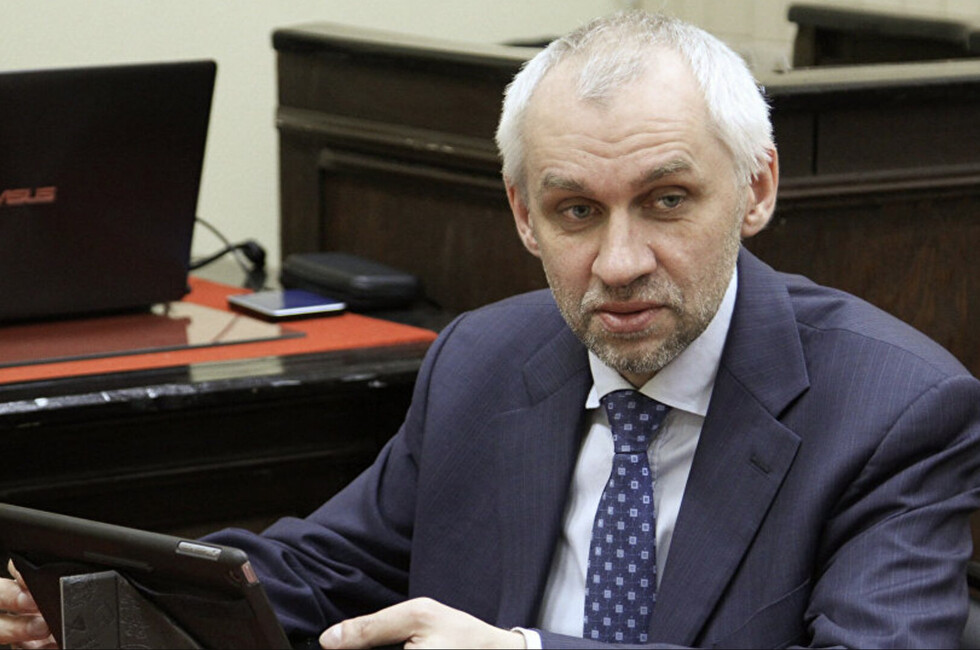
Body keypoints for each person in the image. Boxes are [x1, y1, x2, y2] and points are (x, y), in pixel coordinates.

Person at [3, 10, 980, 649]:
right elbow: (321, 569)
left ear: (755, 189)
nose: (619, 261)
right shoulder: (483, 358)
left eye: (667, 200)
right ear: (522, 214)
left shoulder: (894, 409)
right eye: (575, 211)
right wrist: (87, 600)